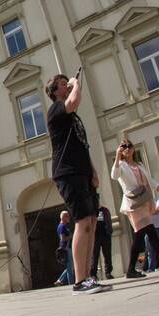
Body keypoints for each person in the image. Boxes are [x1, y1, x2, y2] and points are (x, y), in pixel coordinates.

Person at [45, 72, 107, 294]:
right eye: (63, 85)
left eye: (68, 83)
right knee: (82, 221)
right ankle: (80, 280)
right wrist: (76, 83)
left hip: (82, 171)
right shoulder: (56, 109)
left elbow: (82, 143)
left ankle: (88, 274)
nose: (67, 86)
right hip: (67, 172)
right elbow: (74, 101)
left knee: (91, 220)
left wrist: (92, 170)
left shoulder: (72, 117)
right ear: (55, 92)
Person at [111, 139, 159, 278]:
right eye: (124, 147)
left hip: (144, 202)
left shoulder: (139, 165)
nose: (127, 148)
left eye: (129, 146)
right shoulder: (121, 165)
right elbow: (114, 176)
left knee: (142, 235)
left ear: (133, 149)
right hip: (134, 204)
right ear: (121, 150)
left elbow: (151, 181)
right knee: (148, 233)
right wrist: (117, 156)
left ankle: (131, 269)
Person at [90, 202, 114, 280]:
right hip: (95, 237)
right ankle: (93, 274)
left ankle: (108, 272)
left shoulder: (105, 210)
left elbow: (109, 221)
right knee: (95, 256)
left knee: (107, 255)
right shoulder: (91, 211)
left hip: (105, 235)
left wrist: (110, 232)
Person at [53, 211, 73, 286]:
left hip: (67, 248)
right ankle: (71, 284)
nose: (69, 218)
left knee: (69, 266)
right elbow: (63, 238)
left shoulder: (64, 226)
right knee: (70, 267)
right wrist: (71, 236)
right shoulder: (62, 226)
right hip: (66, 248)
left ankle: (59, 280)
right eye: (67, 216)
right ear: (64, 217)